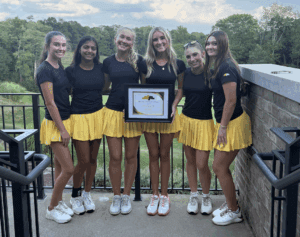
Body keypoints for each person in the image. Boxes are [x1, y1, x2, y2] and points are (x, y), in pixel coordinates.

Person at [204, 31, 252, 225]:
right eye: (208, 44)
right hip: (226, 123)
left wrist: (222, 128)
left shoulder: (226, 67)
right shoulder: (221, 65)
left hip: (232, 124)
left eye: (214, 44)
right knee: (220, 166)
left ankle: (234, 211)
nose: (209, 47)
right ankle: (231, 203)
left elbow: (231, 101)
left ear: (222, 44)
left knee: (219, 166)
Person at [140, 27, 186, 216]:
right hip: (150, 116)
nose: (159, 42)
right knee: (153, 154)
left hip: (168, 116)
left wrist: (174, 105)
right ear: (151, 42)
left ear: (168, 40)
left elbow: (181, 88)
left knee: (165, 154)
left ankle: (165, 196)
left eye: (162, 38)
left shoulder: (178, 63)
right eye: (155, 39)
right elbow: (141, 90)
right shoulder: (145, 63)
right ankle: (154, 195)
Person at [102, 27, 143, 215]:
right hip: (112, 112)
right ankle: (116, 195)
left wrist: (136, 106)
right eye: (122, 37)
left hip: (133, 115)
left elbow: (145, 88)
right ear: (115, 38)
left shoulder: (138, 61)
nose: (124, 41)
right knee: (115, 157)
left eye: (129, 39)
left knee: (130, 157)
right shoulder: (107, 62)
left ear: (132, 43)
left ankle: (127, 195)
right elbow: (103, 87)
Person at [36, 31, 74, 223]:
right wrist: (62, 129)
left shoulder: (58, 66)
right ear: (47, 46)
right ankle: (51, 209)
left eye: (63, 45)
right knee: (69, 169)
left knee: (60, 167)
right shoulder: (45, 70)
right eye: (56, 44)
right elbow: (50, 103)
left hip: (63, 120)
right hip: (54, 124)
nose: (61, 48)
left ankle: (58, 202)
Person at [65, 36, 105, 215]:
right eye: (86, 47)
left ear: (96, 52)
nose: (90, 51)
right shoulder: (71, 71)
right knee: (83, 160)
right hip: (78, 117)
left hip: (97, 116)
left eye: (93, 48)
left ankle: (87, 194)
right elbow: (63, 93)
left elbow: (105, 87)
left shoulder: (101, 69)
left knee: (93, 159)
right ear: (79, 49)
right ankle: (75, 195)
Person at [177, 41, 214, 215]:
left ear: (203, 54)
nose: (192, 59)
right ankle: (193, 195)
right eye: (188, 57)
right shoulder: (184, 74)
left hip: (205, 123)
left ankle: (206, 195)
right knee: (190, 162)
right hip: (187, 121)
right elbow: (178, 92)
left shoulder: (212, 74)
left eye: (195, 55)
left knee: (201, 164)